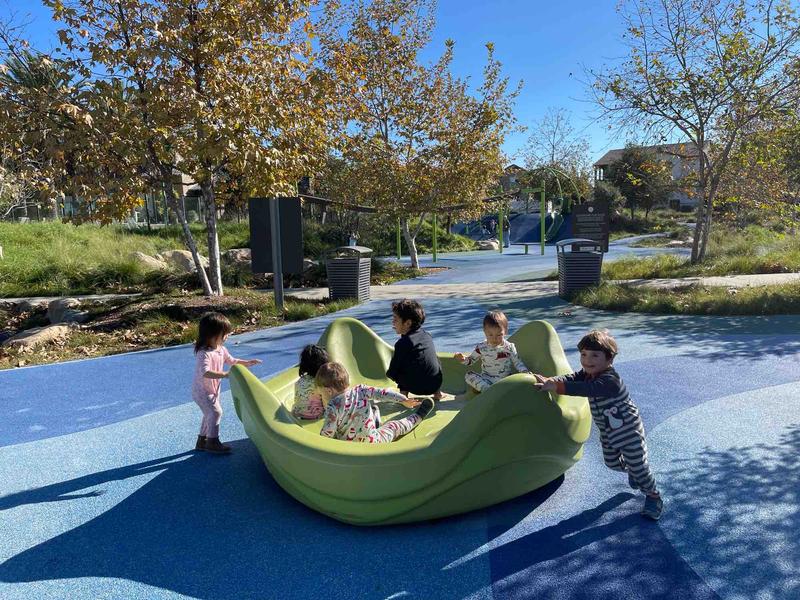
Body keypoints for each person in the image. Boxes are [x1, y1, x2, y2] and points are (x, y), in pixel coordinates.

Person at [532, 330, 664, 520]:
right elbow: (572, 378)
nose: (587, 360)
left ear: (609, 359)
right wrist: (551, 381)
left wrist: (557, 387)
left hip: (629, 431)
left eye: (595, 355)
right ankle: (634, 472)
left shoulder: (611, 380)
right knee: (611, 463)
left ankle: (654, 496)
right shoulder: (587, 374)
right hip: (608, 432)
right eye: (584, 354)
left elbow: (587, 389)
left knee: (640, 466)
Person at [192, 312, 262, 454]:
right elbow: (205, 372)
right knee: (216, 412)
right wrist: (225, 374)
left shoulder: (221, 350)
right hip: (202, 391)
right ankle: (212, 441)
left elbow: (232, 361)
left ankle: (202, 441)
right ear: (213, 334)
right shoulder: (204, 353)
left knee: (209, 414)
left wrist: (247, 362)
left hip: (213, 390)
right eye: (224, 333)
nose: (227, 336)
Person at [316, 362, 434, 443]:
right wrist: (403, 400)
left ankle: (373, 418)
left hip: (349, 450)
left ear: (329, 390)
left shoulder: (333, 407)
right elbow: (383, 393)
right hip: (374, 442)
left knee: (337, 432)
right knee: (395, 426)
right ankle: (418, 416)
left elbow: (326, 435)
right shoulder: (361, 390)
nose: (322, 397)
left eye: (321, 394)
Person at [454, 310, 530, 392]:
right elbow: (471, 360)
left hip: (504, 380)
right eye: (490, 335)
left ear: (505, 331)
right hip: (487, 379)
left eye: (499, 335)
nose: (494, 338)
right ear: (484, 332)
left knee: (516, 381)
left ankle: (484, 389)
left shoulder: (509, 347)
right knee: (469, 375)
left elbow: (518, 362)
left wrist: (525, 372)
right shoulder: (481, 347)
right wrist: (463, 359)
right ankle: (488, 389)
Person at [386, 299, 444, 400]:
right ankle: (438, 394)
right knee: (435, 359)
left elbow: (394, 368)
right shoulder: (427, 335)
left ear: (408, 323)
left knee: (401, 368)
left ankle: (403, 395)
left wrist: (389, 375)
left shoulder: (403, 343)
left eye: (395, 319)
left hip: (416, 387)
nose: (393, 322)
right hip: (435, 384)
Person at [292, 344, 329, 420]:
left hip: (297, 414)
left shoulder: (300, 381)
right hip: (315, 416)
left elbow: (297, 399)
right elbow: (326, 405)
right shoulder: (321, 383)